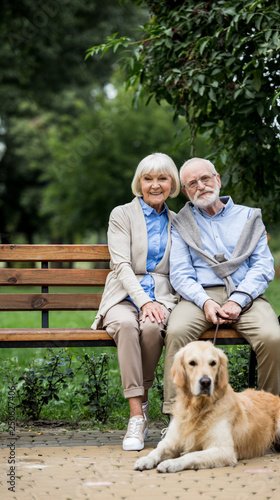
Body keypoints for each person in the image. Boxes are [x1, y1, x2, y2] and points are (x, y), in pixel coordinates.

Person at [162, 157, 280, 417]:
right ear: (185, 191)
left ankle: (268, 417)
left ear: (217, 179)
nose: (201, 186)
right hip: (199, 295)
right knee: (177, 331)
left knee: (272, 339)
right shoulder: (181, 223)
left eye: (205, 178)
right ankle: (176, 416)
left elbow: (263, 267)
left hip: (245, 295)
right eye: (192, 183)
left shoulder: (249, 217)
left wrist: (237, 300)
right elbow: (181, 273)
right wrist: (205, 301)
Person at [91, 152, 180, 450]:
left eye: (162, 178)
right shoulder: (121, 214)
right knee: (128, 327)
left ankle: (141, 400)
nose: (155, 185)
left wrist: (156, 304)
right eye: (148, 178)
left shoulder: (178, 221)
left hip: (163, 298)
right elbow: (121, 265)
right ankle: (137, 416)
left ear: (173, 184)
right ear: (139, 182)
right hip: (122, 296)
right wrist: (143, 302)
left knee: (154, 329)